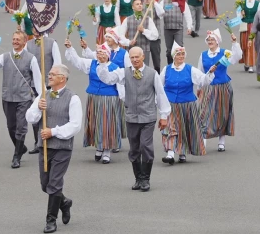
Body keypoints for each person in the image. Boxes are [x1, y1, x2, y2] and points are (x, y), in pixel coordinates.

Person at [95, 46, 170, 190]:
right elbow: (108, 79)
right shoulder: (124, 72)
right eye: (132, 57)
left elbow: (160, 94)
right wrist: (103, 64)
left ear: (143, 57)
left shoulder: (152, 73)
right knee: (134, 149)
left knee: (145, 146)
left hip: (148, 116)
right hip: (131, 116)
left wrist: (164, 116)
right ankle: (138, 178)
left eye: (137, 57)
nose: (135, 60)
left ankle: (146, 179)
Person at [25, 64, 81, 233]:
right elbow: (30, 117)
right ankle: (64, 202)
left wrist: (54, 132)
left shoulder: (73, 99)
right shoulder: (43, 95)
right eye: (49, 74)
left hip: (62, 147)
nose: (49, 77)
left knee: (55, 183)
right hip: (44, 147)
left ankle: (51, 220)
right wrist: (38, 109)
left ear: (62, 78)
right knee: (46, 185)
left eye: (52, 74)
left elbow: (75, 125)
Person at [0, 31, 42, 168]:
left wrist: (41, 97)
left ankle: (16, 156)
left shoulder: (31, 58)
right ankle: (21, 147)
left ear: (24, 42)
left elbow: (38, 79)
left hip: (24, 98)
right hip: (7, 97)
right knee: (11, 126)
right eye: (14, 39)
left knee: (21, 127)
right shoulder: (5, 57)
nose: (15, 41)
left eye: (18, 39)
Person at [65, 41, 124, 164]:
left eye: (103, 53)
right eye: (98, 53)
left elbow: (120, 85)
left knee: (107, 124)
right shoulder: (91, 64)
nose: (100, 55)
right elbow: (77, 62)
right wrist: (70, 48)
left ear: (108, 54)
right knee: (96, 122)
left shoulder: (115, 67)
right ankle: (99, 146)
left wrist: (122, 99)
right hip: (94, 97)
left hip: (109, 98)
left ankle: (107, 149)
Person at [160, 42, 216, 164]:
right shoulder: (166, 69)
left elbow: (203, 81)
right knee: (171, 128)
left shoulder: (190, 69)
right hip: (170, 105)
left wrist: (210, 73)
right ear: (173, 56)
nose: (181, 56)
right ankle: (170, 154)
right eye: (178, 54)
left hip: (187, 104)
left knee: (184, 128)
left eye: (182, 54)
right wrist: (160, 104)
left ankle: (182, 152)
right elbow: (160, 87)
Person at [197, 30, 242, 152]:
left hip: (223, 87)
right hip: (208, 87)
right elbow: (199, 72)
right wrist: (199, 88)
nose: (210, 42)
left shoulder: (225, 53)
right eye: (208, 40)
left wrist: (234, 43)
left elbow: (237, 57)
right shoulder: (203, 55)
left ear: (217, 42)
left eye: (212, 40)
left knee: (222, 113)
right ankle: (203, 140)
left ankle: (221, 141)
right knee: (203, 113)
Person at [26, 28, 62, 154]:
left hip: (48, 85)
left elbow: (57, 64)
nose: (35, 30)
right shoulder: (28, 44)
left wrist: (54, 81)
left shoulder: (52, 43)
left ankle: (51, 139)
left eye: (37, 28)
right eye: (33, 28)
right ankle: (38, 141)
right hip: (33, 86)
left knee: (51, 113)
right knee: (36, 112)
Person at [117, 0, 159, 67]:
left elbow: (155, 35)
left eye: (140, 4)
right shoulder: (127, 19)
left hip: (144, 50)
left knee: (144, 71)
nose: (140, 5)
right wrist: (128, 42)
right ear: (133, 7)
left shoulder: (148, 19)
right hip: (131, 50)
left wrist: (144, 31)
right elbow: (120, 36)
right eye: (137, 4)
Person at [161, 0, 193, 64]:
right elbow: (159, 13)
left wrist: (189, 27)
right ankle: (170, 65)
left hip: (178, 29)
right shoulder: (164, 2)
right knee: (169, 51)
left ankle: (179, 65)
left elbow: (187, 14)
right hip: (167, 29)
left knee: (179, 49)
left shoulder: (181, 2)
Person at [239, 0, 260, 73]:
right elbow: (238, 17)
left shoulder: (257, 4)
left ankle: (251, 65)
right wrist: (241, 14)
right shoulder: (242, 3)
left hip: (253, 25)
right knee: (243, 44)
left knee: (251, 45)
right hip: (244, 25)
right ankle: (246, 62)